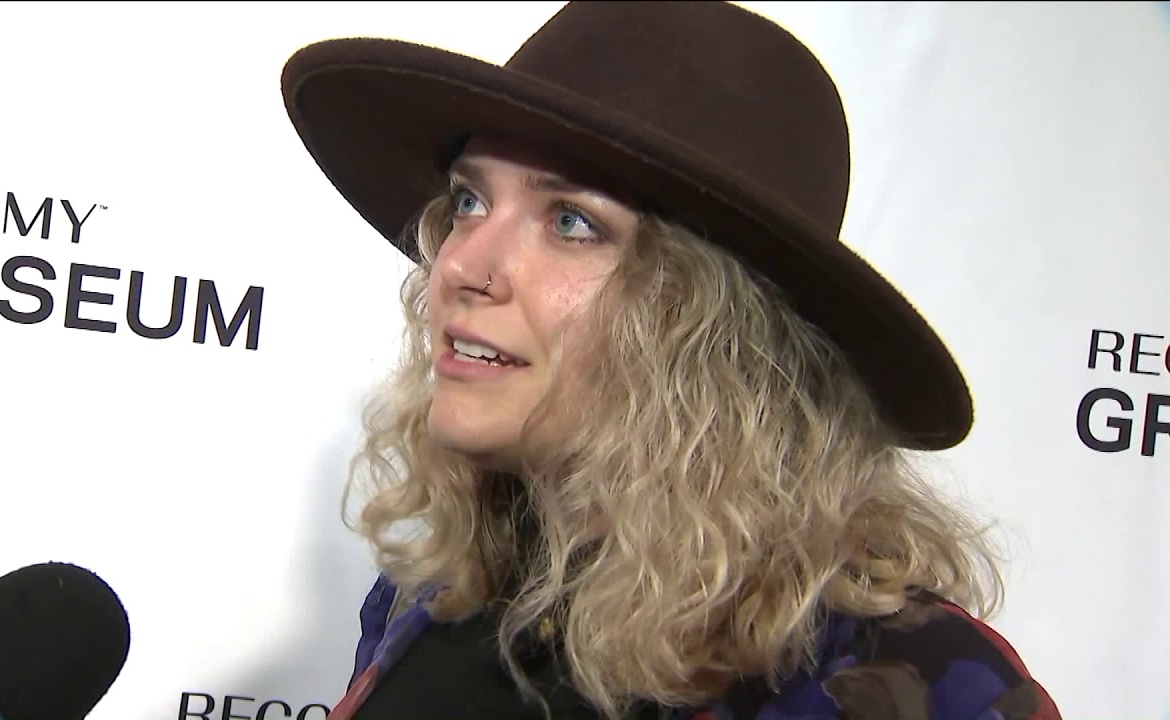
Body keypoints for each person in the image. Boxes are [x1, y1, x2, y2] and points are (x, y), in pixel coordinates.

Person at [280, 2, 1061, 719]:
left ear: (726, 329)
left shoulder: (917, 684)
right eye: (469, 201)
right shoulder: (433, 596)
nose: (458, 265)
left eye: (572, 221)